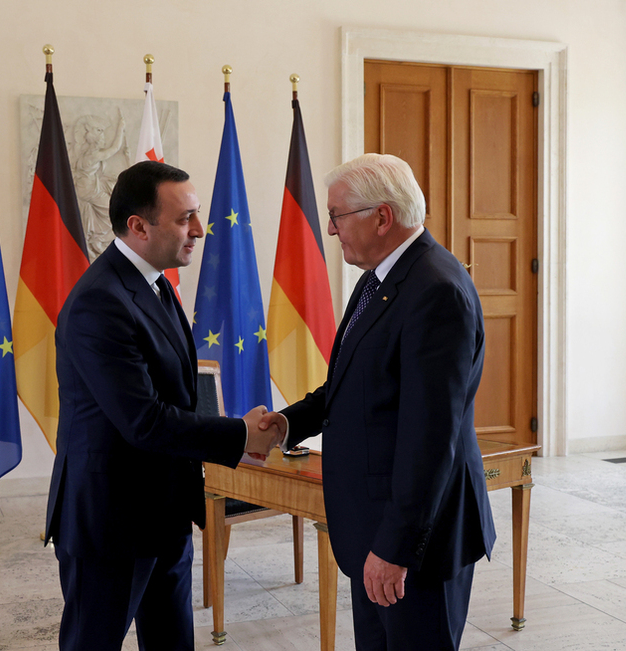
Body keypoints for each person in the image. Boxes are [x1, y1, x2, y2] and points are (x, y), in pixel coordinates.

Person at [260, 153, 496, 650]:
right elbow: (350, 385)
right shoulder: (380, 279)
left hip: (414, 546)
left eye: (337, 215)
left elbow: (429, 439)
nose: (329, 229)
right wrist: (285, 424)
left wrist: (395, 548)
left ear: (381, 217)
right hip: (374, 531)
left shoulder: (436, 291)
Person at [45, 160, 283, 650]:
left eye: (196, 215)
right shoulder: (100, 301)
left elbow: (180, 394)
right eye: (184, 219)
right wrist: (238, 434)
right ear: (138, 226)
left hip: (165, 510)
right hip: (111, 521)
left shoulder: (156, 284)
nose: (198, 230)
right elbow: (143, 420)